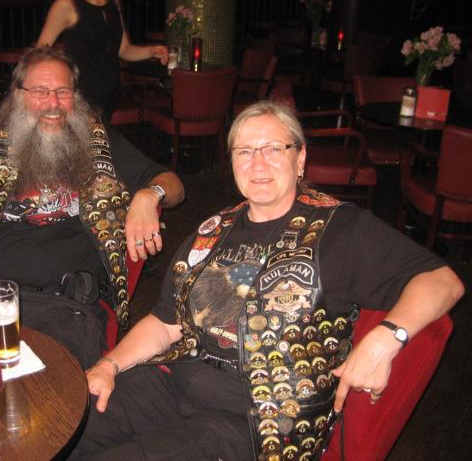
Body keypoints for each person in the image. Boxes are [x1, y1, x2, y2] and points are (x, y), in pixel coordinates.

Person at [72, 101, 464, 460]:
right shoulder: (214, 229)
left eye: (274, 149)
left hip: (257, 422)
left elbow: (444, 281)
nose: (257, 163)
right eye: (244, 151)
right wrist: (109, 365)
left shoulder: (341, 229)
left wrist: (387, 338)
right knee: (68, 427)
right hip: (174, 381)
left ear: (300, 158)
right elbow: (164, 322)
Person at [0, 46, 184, 369]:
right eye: (40, 91)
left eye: (63, 91)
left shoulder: (101, 145)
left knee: (41, 389)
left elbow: (174, 185)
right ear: (18, 95)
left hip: (64, 305)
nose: (53, 103)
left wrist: (149, 195)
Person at [37, 0, 168, 123]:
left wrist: (152, 51)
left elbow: (124, 50)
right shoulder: (67, 4)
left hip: (109, 94)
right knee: (92, 137)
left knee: (102, 136)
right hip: (82, 98)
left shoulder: (113, 0)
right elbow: (39, 53)